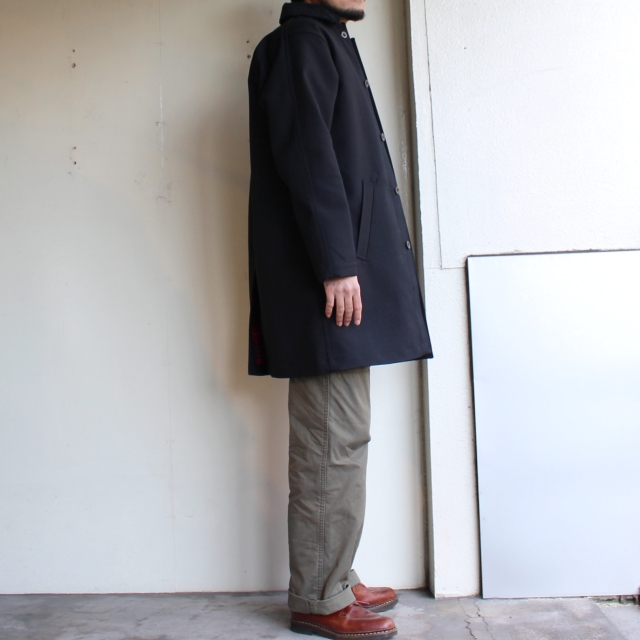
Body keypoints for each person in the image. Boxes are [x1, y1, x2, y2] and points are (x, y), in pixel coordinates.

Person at [247, 0, 433, 637]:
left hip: (337, 278)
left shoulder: (324, 42)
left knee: (342, 437)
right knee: (331, 441)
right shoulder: (301, 43)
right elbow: (308, 161)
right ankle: (319, 598)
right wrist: (335, 264)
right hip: (326, 284)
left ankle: (336, 576)